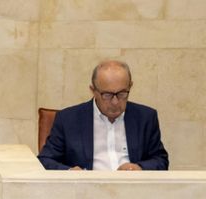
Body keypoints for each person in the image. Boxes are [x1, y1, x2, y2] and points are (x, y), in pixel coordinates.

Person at [38, 60, 168, 171]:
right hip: (87, 189)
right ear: (93, 90)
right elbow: (45, 160)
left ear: (130, 86)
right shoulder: (68, 119)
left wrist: (139, 167)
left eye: (122, 94)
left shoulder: (145, 118)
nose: (115, 102)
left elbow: (161, 160)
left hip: (132, 188)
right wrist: (70, 172)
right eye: (107, 95)